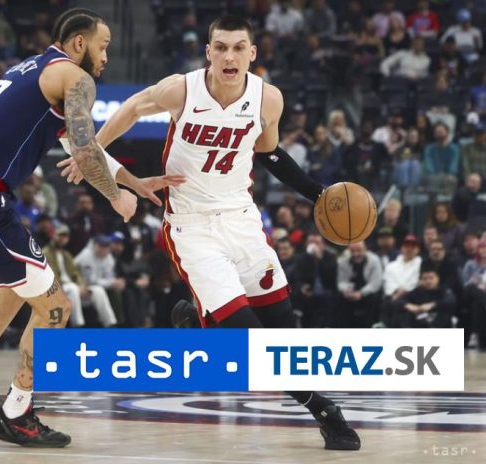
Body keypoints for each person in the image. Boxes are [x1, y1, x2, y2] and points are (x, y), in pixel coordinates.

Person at [58, 15, 360, 451]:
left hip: (242, 219)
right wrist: (91, 151)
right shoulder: (182, 90)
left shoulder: (268, 99)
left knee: (281, 328)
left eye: (238, 47)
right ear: (208, 52)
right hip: (192, 225)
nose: (229, 56)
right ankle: (325, 410)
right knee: (249, 340)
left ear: (252, 54)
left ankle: (198, 327)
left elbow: (269, 153)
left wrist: (317, 193)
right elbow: (132, 108)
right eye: (220, 47)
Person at [0, 8, 178, 448]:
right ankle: (16, 412)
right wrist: (116, 197)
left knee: (16, 285)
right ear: (80, 43)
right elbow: (85, 150)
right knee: (56, 307)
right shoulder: (76, 79)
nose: (105, 57)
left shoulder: (34, 67)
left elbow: (85, 146)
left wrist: (132, 181)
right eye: (103, 46)